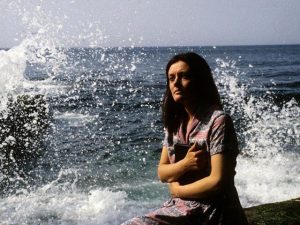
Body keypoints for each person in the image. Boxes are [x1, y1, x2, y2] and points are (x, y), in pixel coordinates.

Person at [122, 52, 248, 225]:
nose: (176, 83)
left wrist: (178, 191)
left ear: (200, 81)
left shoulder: (218, 121)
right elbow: (162, 173)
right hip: (181, 208)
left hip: (214, 213)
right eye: (171, 78)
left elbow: (218, 181)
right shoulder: (174, 124)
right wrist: (185, 164)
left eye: (184, 76)